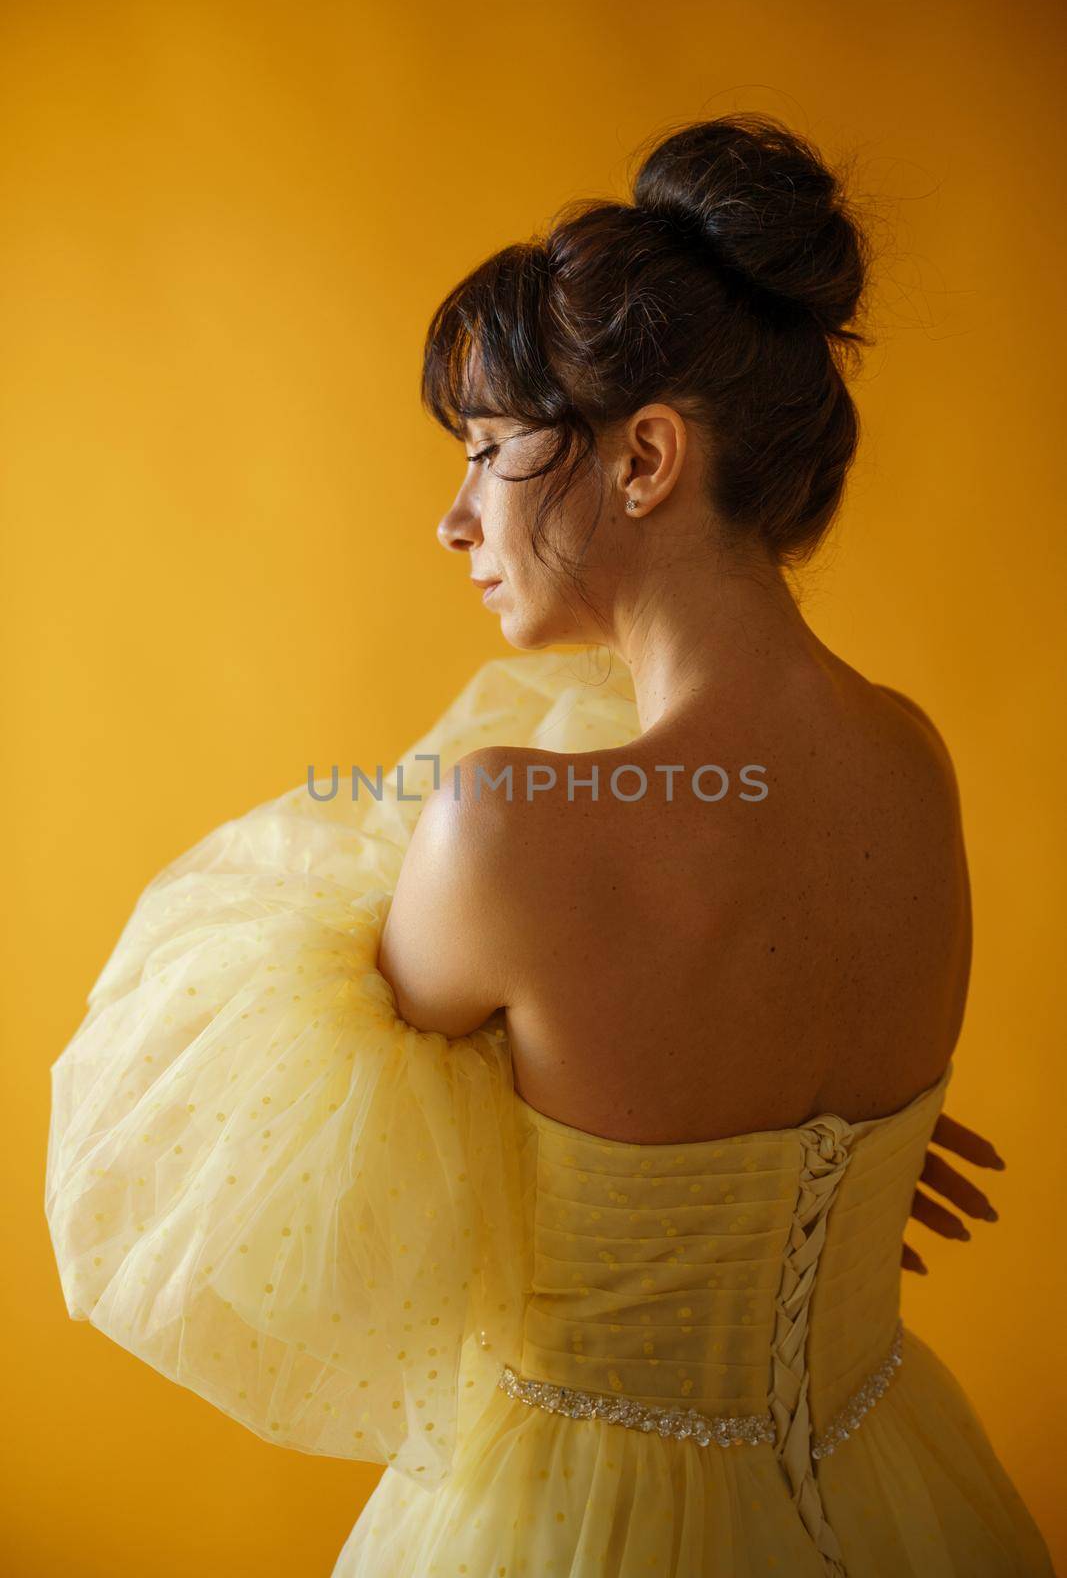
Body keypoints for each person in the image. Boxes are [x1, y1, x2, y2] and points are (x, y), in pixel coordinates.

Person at [45, 115, 1052, 1576]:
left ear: (646, 457)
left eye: (490, 450)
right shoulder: (913, 762)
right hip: (894, 1477)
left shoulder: (512, 829)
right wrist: (808, 1194)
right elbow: (746, 1079)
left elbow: (282, 1143)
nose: (454, 520)